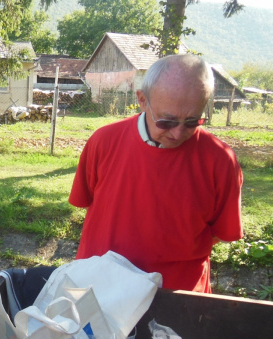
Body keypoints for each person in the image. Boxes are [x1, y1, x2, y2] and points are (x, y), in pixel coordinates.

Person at [69, 54, 243, 293]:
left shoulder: (220, 159)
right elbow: (87, 203)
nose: (177, 133)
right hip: (100, 289)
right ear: (142, 100)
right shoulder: (104, 141)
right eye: (167, 121)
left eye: (192, 121)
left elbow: (221, 232)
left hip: (177, 295)